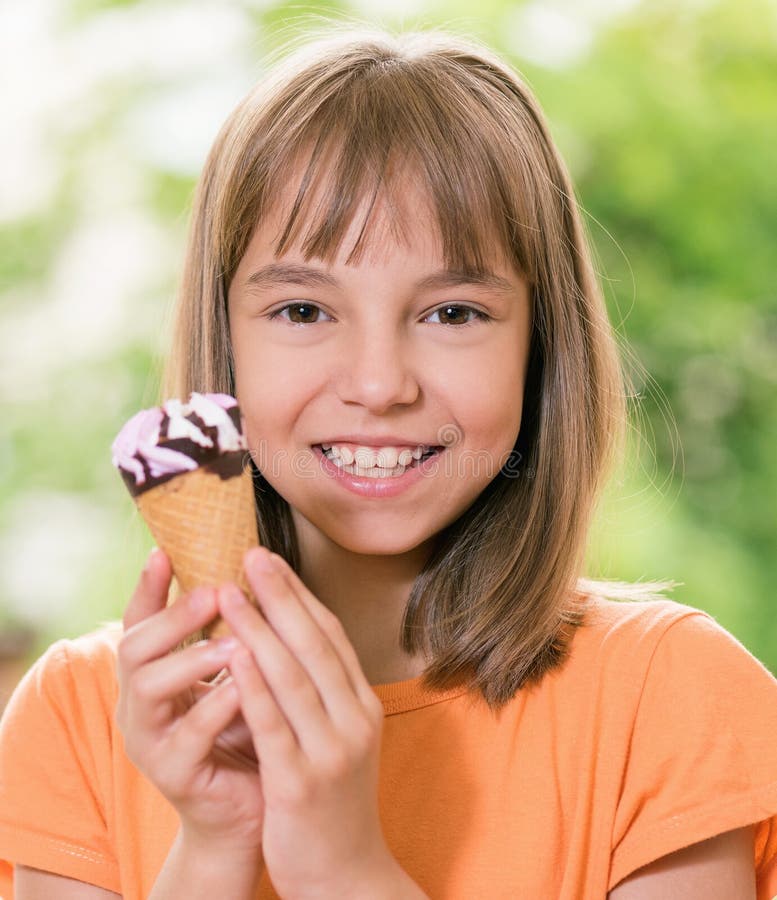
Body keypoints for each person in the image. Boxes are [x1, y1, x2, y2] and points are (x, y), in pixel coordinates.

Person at [0, 23, 776, 900]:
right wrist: (216, 845)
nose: (378, 384)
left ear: (540, 346)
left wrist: (343, 869)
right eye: (302, 310)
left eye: (451, 314)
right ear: (225, 342)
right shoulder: (77, 717)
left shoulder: (667, 701)